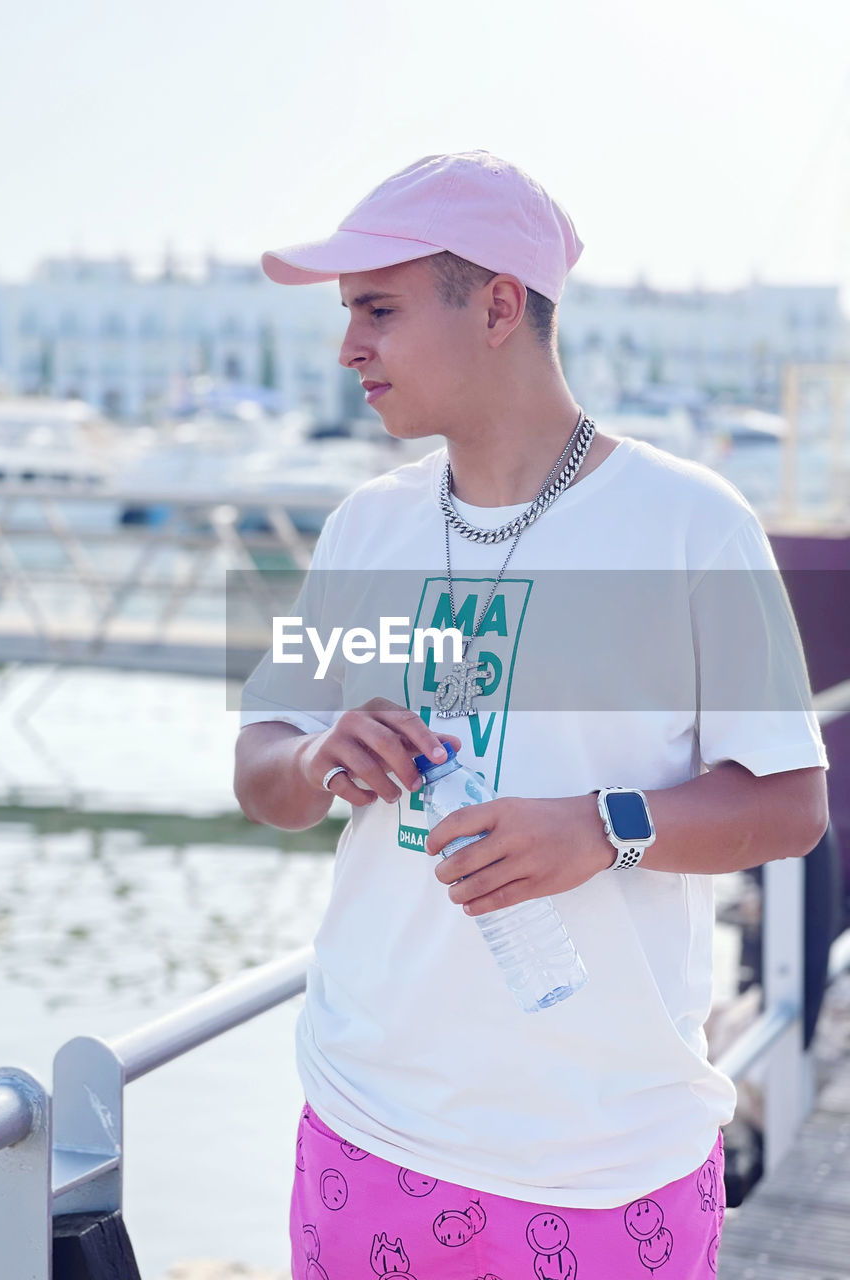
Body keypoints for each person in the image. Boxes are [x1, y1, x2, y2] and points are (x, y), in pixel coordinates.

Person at [233, 150, 830, 1279]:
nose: (348, 345)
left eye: (379, 308)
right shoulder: (367, 526)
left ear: (499, 303)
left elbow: (792, 802)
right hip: (369, 1129)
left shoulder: (689, 526)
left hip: (608, 1156)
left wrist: (600, 827)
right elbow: (260, 764)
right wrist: (317, 753)